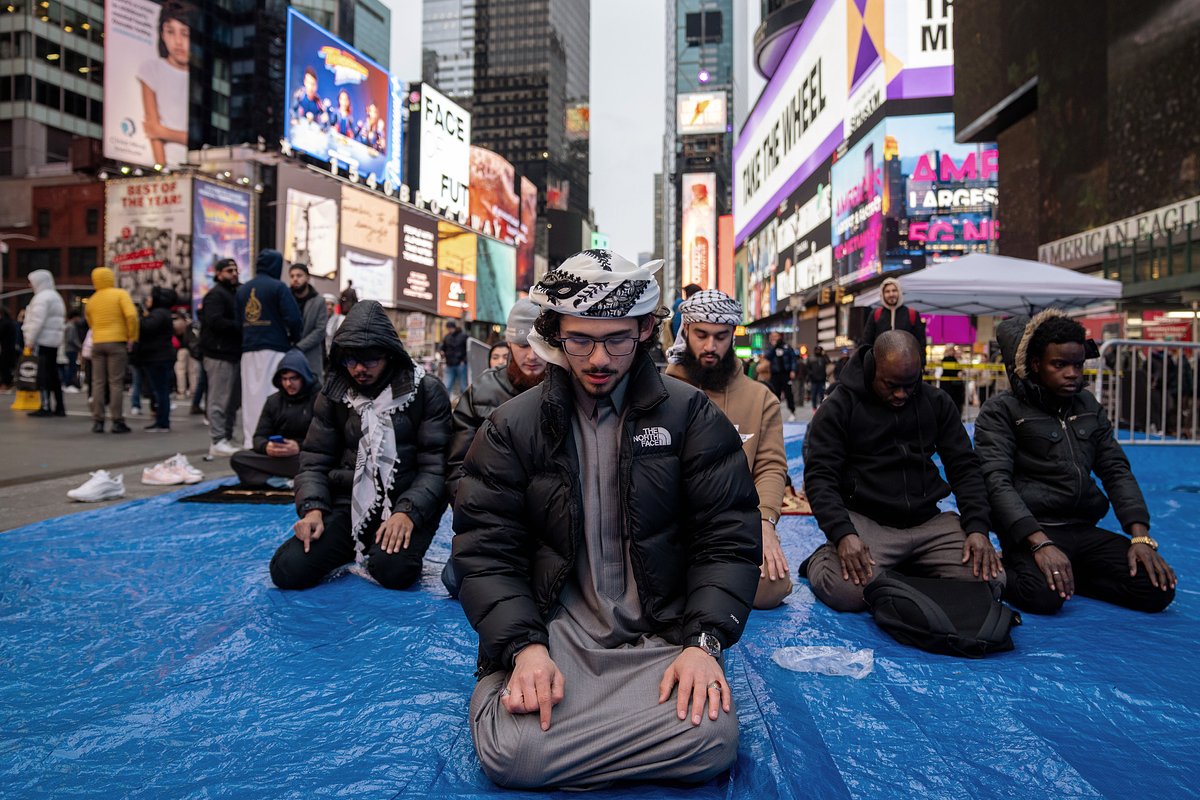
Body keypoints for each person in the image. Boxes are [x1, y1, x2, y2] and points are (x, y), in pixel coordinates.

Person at [451, 250, 761, 790]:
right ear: (555, 335)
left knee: (712, 739)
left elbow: (727, 538)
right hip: (554, 632)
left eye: (616, 339)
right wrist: (524, 649)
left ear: (644, 330)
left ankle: (572, 734)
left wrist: (703, 644)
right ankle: (522, 692)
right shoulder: (510, 427)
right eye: (580, 341)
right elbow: (485, 551)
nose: (598, 359)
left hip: (662, 631)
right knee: (514, 755)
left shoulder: (690, 416)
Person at [974, 311, 1176, 615]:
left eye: (1078, 365)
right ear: (1035, 364)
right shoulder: (1001, 410)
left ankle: (1070, 578)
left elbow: (1115, 469)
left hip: (1083, 528)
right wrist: (1040, 543)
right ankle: (1010, 570)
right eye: (1060, 365)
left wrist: (1140, 536)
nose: (1072, 373)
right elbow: (996, 481)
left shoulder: (1088, 406)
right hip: (1032, 531)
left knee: (1157, 588)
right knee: (1043, 597)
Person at [801, 330, 1003, 612]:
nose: (901, 394)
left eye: (910, 385)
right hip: (867, 521)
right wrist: (843, 533)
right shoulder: (839, 406)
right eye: (891, 385)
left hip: (927, 521)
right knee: (846, 592)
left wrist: (977, 527)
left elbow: (965, 467)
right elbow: (819, 476)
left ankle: (905, 563)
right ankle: (821, 558)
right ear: (873, 370)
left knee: (990, 578)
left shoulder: (936, 403)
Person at [270, 301, 451, 591]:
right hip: (347, 506)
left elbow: (436, 467)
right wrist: (313, 509)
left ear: (390, 356)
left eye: (369, 360)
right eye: (350, 361)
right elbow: (315, 460)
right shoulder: (334, 394)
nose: (358, 369)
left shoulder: (426, 391)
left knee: (393, 571)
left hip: (406, 505)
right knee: (287, 569)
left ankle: (381, 544)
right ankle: (354, 543)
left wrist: (407, 513)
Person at [666, 290, 791, 609]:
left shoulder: (761, 399)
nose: (710, 347)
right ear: (686, 332)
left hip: (731, 525)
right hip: (667, 527)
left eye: (720, 336)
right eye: (702, 335)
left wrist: (765, 523)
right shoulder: (661, 394)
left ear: (733, 335)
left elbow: (770, 468)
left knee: (770, 587)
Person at [440, 299, 546, 596]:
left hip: (549, 521)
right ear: (509, 344)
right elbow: (457, 466)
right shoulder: (482, 392)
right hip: (493, 516)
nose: (532, 355)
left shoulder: (567, 389)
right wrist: (477, 517)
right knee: (455, 578)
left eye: (539, 344)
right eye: (522, 345)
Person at [236, 249, 302, 449]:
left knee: (250, 396)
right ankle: (273, 440)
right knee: (274, 394)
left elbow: (238, 319)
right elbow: (294, 318)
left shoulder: (243, 289)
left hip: (248, 349)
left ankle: (251, 441)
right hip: (275, 347)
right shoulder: (279, 287)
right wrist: (294, 340)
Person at [231, 349, 316, 487]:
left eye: (293, 378)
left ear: (303, 377)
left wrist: (299, 447)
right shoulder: (273, 401)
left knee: (320, 463)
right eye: (284, 379)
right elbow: (259, 437)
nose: (288, 384)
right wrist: (267, 447)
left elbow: (327, 439)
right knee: (239, 459)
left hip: (305, 456)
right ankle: (282, 481)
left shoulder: (318, 399)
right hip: (279, 458)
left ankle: (276, 480)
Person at [84, 267, 139, 433]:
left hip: (98, 342)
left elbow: (90, 321)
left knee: (98, 383)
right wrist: (132, 336)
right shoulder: (120, 294)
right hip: (117, 341)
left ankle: (98, 420)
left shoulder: (92, 300)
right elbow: (131, 316)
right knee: (116, 382)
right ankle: (117, 420)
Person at [138, 0, 190, 165]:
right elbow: (152, 128)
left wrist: (163, 132)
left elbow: (156, 130)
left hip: (199, 167)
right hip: (167, 167)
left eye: (184, 33)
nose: (178, 41)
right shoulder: (151, 69)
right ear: (162, 34)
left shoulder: (203, 79)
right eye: (170, 31)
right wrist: (162, 168)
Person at [200, 258, 242, 456]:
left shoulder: (232, 293)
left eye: (235, 270)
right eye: (228, 270)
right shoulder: (216, 295)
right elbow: (215, 321)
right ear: (218, 274)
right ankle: (218, 440)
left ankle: (225, 437)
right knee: (219, 399)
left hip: (231, 353)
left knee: (231, 400)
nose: (234, 273)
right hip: (218, 354)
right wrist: (240, 326)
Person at [22, 269, 66, 417]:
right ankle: (59, 406)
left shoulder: (41, 298)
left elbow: (36, 322)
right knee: (53, 375)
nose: (30, 285)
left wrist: (29, 340)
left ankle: (45, 405)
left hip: (42, 342)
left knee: (43, 376)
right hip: (53, 342)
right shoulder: (56, 297)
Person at [137, 286, 178, 432]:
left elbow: (146, 328)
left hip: (157, 357)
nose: (148, 300)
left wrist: (140, 318)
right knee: (161, 391)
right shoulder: (164, 313)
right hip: (160, 356)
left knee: (160, 391)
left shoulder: (158, 314)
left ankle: (162, 422)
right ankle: (161, 420)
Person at [862, 276, 926, 363]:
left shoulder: (912, 314)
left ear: (899, 292)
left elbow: (921, 342)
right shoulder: (875, 314)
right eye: (887, 291)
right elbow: (867, 341)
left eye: (894, 290)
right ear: (882, 294)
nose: (891, 294)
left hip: (906, 365)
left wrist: (921, 363)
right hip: (880, 366)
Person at [287, 262, 329, 383]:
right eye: (292, 276)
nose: (295, 279)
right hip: (288, 354)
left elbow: (320, 330)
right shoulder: (285, 299)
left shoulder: (318, 301)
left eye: (299, 275)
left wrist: (299, 347)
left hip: (310, 356)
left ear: (307, 277)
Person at [764, 332, 797, 419]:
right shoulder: (770, 348)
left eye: (776, 336)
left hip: (785, 374)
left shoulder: (787, 347)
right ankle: (775, 412)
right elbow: (767, 357)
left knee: (788, 393)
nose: (774, 338)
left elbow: (793, 359)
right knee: (775, 393)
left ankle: (792, 411)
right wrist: (774, 347)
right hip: (775, 374)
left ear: (779, 337)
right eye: (772, 336)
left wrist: (793, 370)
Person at [439, 320, 468, 397]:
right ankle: (445, 404)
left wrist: (464, 361)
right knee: (447, 386)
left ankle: (465, 405)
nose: (449, 330)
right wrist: (442, 351)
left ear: (453, 327)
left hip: (460, 364)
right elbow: (443, 347)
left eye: (450, 328)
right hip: (449, 364)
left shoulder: (463, 336)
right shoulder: (447, 337)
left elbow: (468, 349)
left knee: (463, 386)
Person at [941, 345, 966, 418]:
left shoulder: (954, 360)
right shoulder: (948, 359)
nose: (952, 352)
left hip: (953, 387)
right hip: (952, 387)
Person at [806, 345, 831, 409]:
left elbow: (829, 362)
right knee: (813, 395)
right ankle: (814, 408)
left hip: (822, 380)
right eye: (817, 350)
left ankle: (821, 408)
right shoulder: (811, 358)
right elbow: (808, 368)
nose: (818, 351)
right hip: (814, 380)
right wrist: (811, 375)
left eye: (819, 350)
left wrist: (825, 354)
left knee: (821, 395)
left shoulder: (823, 358)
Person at [323, 293, 344, 367]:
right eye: (327, 304)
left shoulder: (341, 320)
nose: (329, 307)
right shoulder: (317, 320)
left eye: (332, 305)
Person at [0, 307, 18, 390]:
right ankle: (7, 383)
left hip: (6, 350)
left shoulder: (5, 323)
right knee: (6, 368)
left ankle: (5, 384)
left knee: (4, 368)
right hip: (9, 349)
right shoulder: (10, 322)